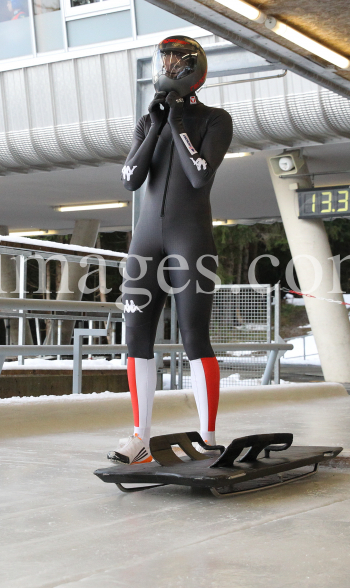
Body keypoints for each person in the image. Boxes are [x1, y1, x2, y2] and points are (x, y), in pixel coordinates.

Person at [109, 36, 234, 465]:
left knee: (194, 336)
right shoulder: (149, 122)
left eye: (177, 59)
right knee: (136, 337)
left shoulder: (216, 120)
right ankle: (140, 436)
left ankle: (209, 435)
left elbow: (200, 176)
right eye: (165, 58)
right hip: (145, 242)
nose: (169, 65)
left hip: (191, 239)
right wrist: (159, 124)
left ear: (193, 68)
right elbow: (130, 177)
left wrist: (180, 123)